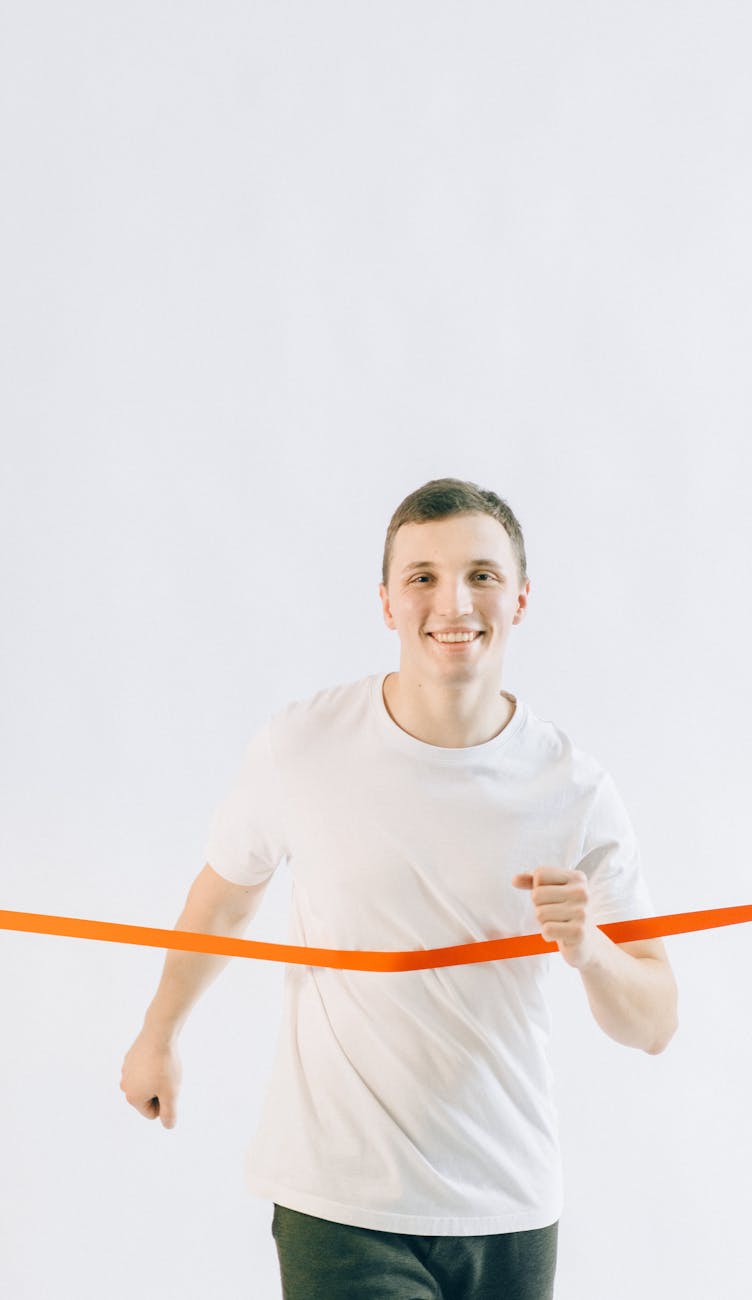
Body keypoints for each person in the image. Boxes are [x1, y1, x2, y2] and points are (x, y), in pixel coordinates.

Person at [120, 477, 678, 1299]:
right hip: (340, 1200)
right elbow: (227, 895)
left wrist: (589, 949)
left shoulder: (575, 790)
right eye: (422, 576)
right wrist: (157, 1034)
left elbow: (656, 1022)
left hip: (510, 1205)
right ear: (386, 602)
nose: (453, 601)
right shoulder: (302, 747)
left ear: (520, 599)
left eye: (482, 575)